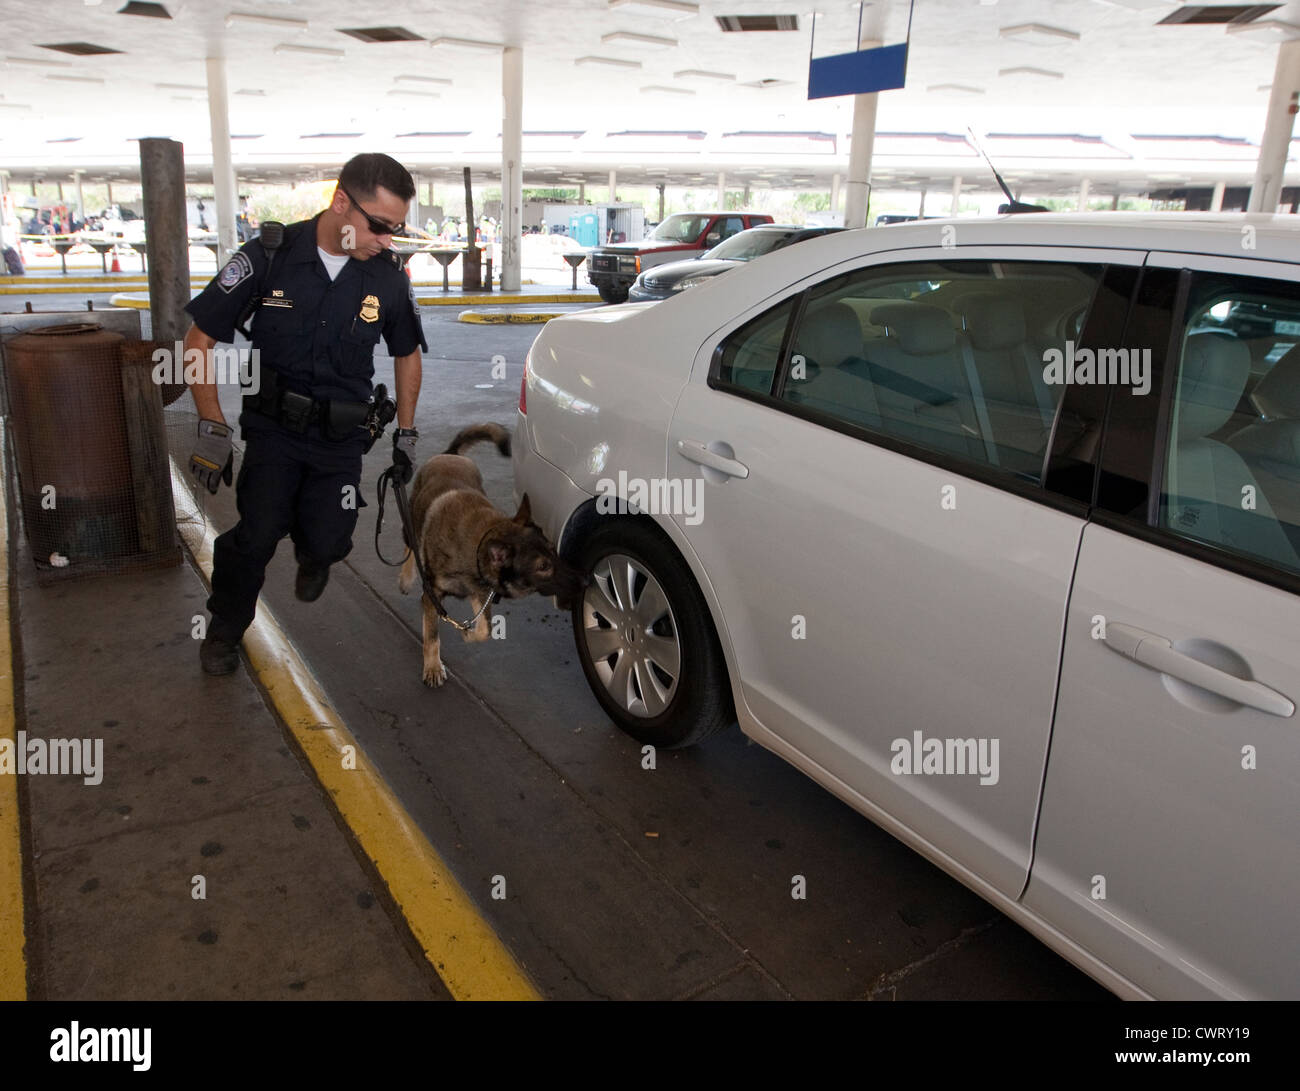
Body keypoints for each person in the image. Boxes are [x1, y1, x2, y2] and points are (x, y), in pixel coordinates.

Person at [183, 153, 427, 675]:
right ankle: (225, 628)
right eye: (380, 226)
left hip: (341, 438)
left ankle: (316, 550)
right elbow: (198, 338)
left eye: (396, 230)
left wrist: (406, 433)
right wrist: (212, 426)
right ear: (341, 202)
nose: (387, 240)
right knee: (257, 533)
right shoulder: (268, 258)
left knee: (332, 537)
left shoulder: (387, 279)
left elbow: (407, 352)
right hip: (274, 430)